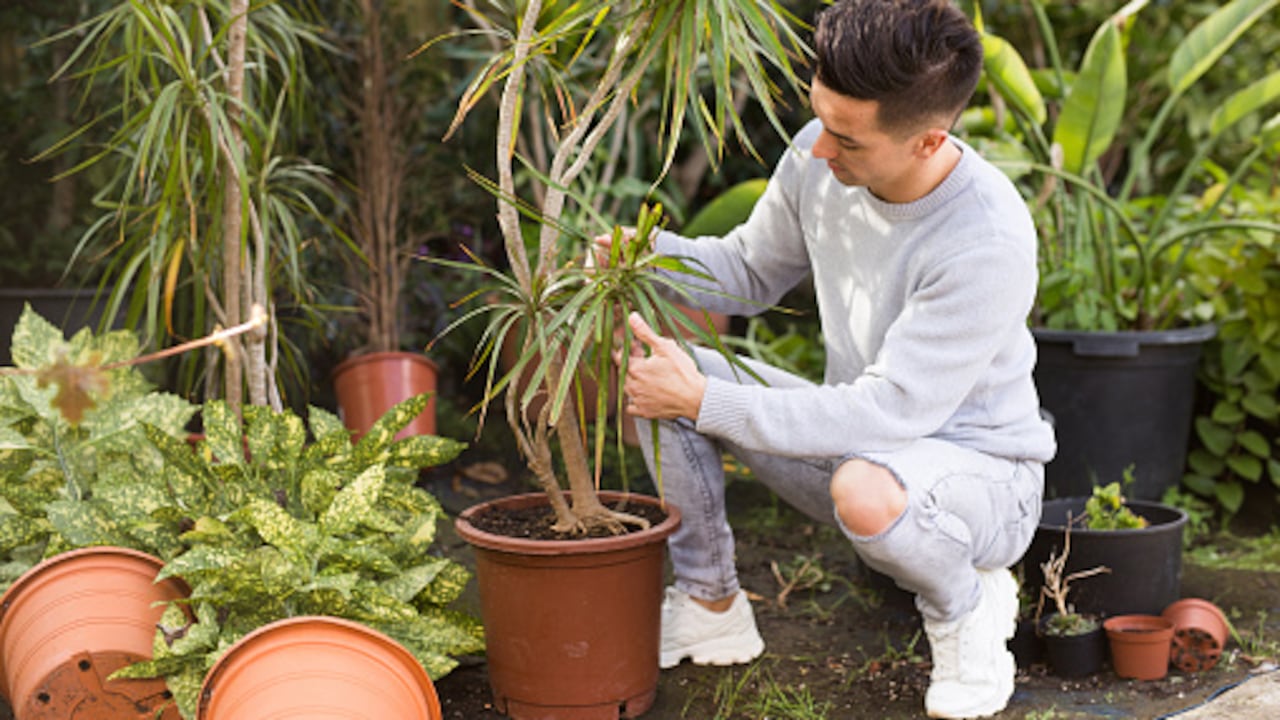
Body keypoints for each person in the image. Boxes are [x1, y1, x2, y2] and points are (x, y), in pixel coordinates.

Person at [612, 0, 1056, 717]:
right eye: (819, 118)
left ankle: (967, 606)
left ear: (927, 141)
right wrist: (643, 258)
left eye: (847, 139)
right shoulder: (821, 152)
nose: (820, 148)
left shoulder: (986, 239)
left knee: (861, 484)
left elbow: (890, 411)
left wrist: (708, 404)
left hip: (985, 481)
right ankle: (710, 601)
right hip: (862, 453)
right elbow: (748, 271)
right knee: (665, 372)